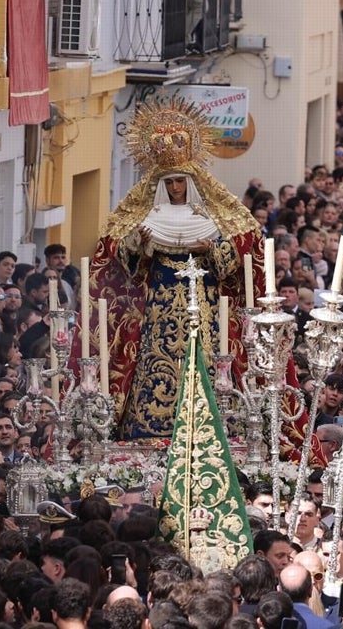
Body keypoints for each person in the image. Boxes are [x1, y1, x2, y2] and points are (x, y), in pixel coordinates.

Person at [93, 98, 262, 440]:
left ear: (191, 182)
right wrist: (138, 246)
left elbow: (244, 256)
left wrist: (213, 250)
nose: (174, 188)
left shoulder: (212, 215)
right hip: (161, 304)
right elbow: (122, 264)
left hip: (209, 302)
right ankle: (152, 425)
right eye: (168, 183)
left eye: (180, 182)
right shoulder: (149, 216)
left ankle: (215, 423)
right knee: (158, 359)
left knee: (210, 360)